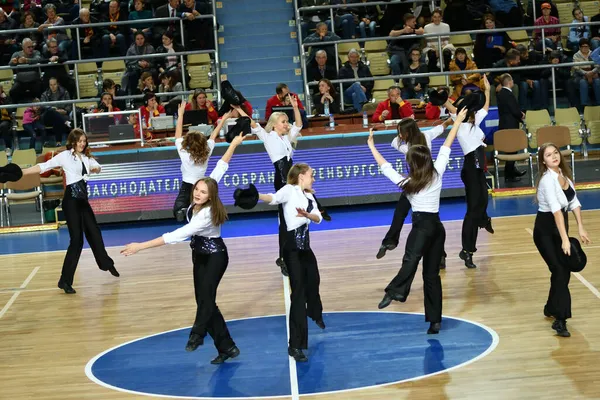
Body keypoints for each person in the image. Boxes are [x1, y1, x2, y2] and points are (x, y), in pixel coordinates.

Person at [121, 132, 245, 363]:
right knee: (204, 301)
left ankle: (197, 334)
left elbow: (176, 235)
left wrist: (140, 246)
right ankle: (227, 347)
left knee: (206, 300)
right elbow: (221, 165)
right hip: (199, 255)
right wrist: (234, 144)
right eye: (197, 189)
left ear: (210, 196)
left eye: (202, 192)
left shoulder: (206, 215)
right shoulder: (198, 199)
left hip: (216, 256)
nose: (197, 193)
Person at [369, 108, 469, 335]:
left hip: (422, 228)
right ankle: (435, 320)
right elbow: (447, 145)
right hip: (437, 228)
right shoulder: (437, 172)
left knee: (410, 260)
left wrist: (372, 146)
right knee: (431, 275)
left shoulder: (408, 183)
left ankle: (395, 292)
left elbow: (386, 168)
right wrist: (458, 121)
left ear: (412, 163)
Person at [235, 95, 330, 276]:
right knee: (284, 221)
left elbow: (300, 124)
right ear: (274, 124)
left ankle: (317, 213)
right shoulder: (267, 136)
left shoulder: (288, 138)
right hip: (282, 180)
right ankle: (282, 257)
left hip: (292, 178)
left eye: (287, 121)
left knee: (296, 212)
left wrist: (295, 107)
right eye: (283, 121)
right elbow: (253, 123)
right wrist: (239, 109)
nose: (287, 124)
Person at [21, 129, 119, 294]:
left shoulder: (87, 158)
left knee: (94, 232)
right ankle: (65, 281)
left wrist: (96, 169)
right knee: (77, 241)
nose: (82, 143)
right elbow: (44, 166)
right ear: (73, 141)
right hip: (71, 202)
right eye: (79, 141)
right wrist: (23, 172)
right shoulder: (65, 156)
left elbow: (98, 167)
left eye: (84, 141)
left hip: (83, 201)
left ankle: (107, 264)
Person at [256, 163, 325, 362]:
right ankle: (295, 345)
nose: (313, 178)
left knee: (314, 282)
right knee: (298, 294)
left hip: (306, 249)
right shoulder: (288, 190)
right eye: (311, 175)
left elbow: (318, 218)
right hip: (292, 250)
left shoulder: (310, 196)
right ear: (301, 176)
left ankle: (315, 313)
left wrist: (307, 215)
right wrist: (257, 195)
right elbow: (273, 198)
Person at [376, 117, 453, 265]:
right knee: (432, 222)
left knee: (402, 213)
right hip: (428, 182)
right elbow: (443, 127)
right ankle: (440, 256)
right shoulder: (427, 135)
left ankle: (389, 241)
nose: (399, 135)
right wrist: (452, 120)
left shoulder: (406, 147)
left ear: (408, 132)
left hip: (415, 185)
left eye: (401, 132)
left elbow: (394, 142)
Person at [533, 142, 591, 337]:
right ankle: (560, 320)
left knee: (561, 272)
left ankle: (551, 307)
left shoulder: (563, 177)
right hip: (545, 231)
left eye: (555, 153)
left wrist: (580, 227)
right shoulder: (547, 181)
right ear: (543, 160)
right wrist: (565, 239)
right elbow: (556, 211)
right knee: (559, 269)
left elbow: (574, 202)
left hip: (560, 228)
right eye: (549, 155)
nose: (554, 156)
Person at [444, 75, 494, 269]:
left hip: (479, 168)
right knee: (472, 211)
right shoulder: (461, 123)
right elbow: (452, 108)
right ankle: (467, 250)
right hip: (470, 169)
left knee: (483, 200)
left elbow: (485, 108)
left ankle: (484, 218)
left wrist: (487, 90)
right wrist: (444, 99)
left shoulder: (476, 120)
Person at [173, 101, 227, 221]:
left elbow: (177, 136)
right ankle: (194, 213)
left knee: (179, 207)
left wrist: (181, 115)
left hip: (187, 187)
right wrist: (223, 119)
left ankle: (183, 211)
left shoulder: (185, 154)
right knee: (197, 211)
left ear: (187, 143)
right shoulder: (207, 151)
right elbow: (213, 135)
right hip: (201, 185)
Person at [496, 73, 527, 182]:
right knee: (512, 150)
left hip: (505, 124)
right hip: (510, 125)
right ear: (509, 82)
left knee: (511, 150)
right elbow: (513, 110)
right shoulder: (508, 94)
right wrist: (521, 115)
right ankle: (509, 175)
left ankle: (512, 171)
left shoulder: (501, 93)